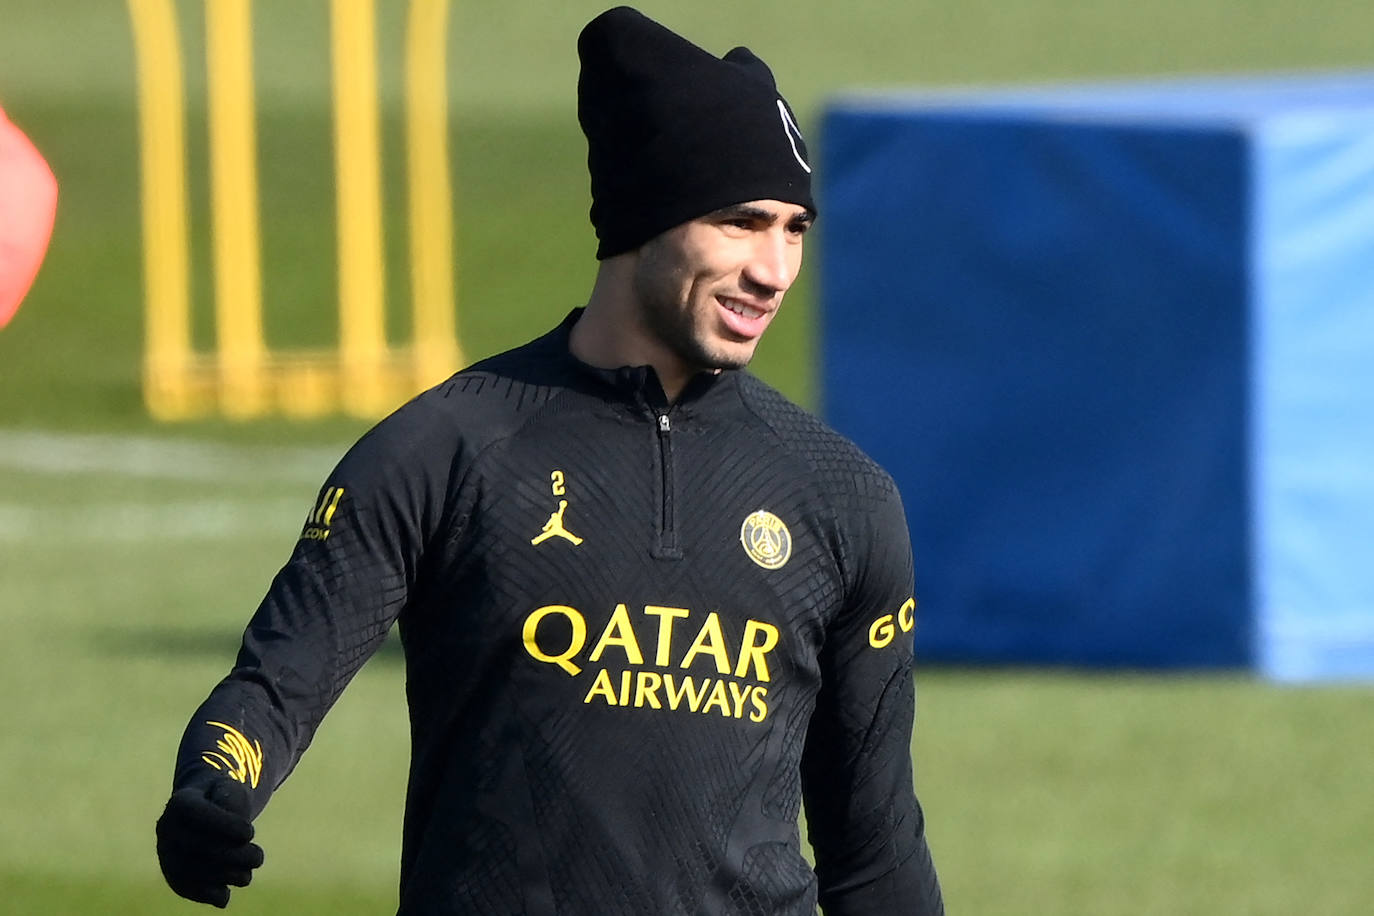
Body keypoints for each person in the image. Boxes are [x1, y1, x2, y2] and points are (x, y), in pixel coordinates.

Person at [155, 7, 943, 914]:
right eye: (740, 222)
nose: (774, 269)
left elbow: (876, 848)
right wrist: (213, 790)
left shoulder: (841, 497)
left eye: (795, 228)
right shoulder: (445, 450)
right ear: (644, 218)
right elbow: (275, 685)